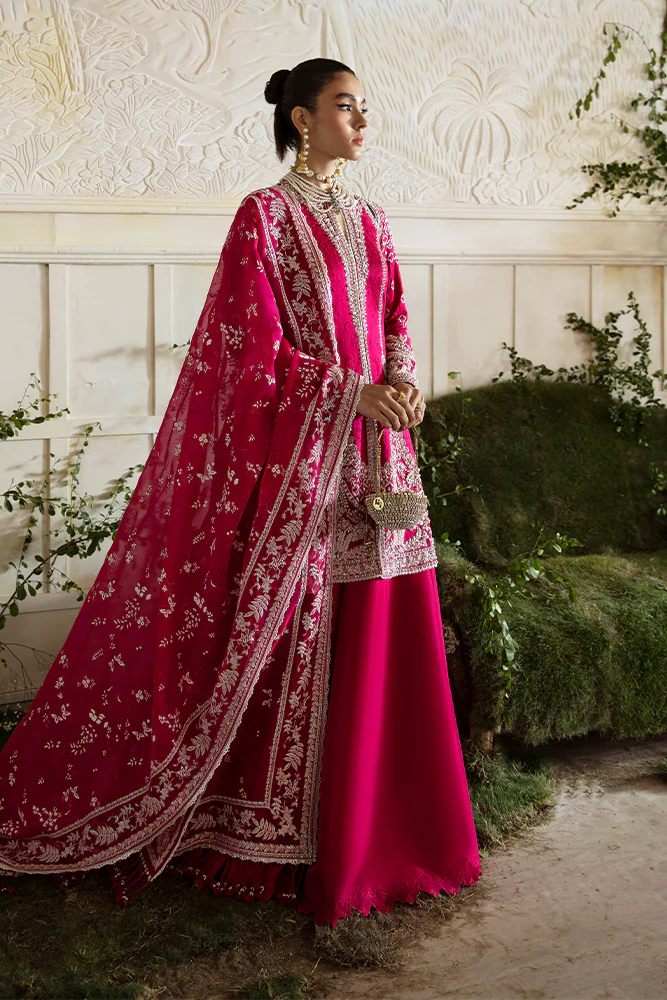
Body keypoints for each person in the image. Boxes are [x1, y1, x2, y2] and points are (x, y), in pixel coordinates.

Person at [0, 58, 481, 927]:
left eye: (364, 108)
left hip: (380, 459)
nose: (361, 122)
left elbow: (395, 316)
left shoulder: (371, 219)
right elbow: (245, 350)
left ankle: (396, 834)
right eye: (345, 107)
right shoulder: (263, 216)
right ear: (301, 119)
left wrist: (403, 380)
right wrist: (347, 392)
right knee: (297, 637)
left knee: (385, 634)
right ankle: (294, 839)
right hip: (307, 466)